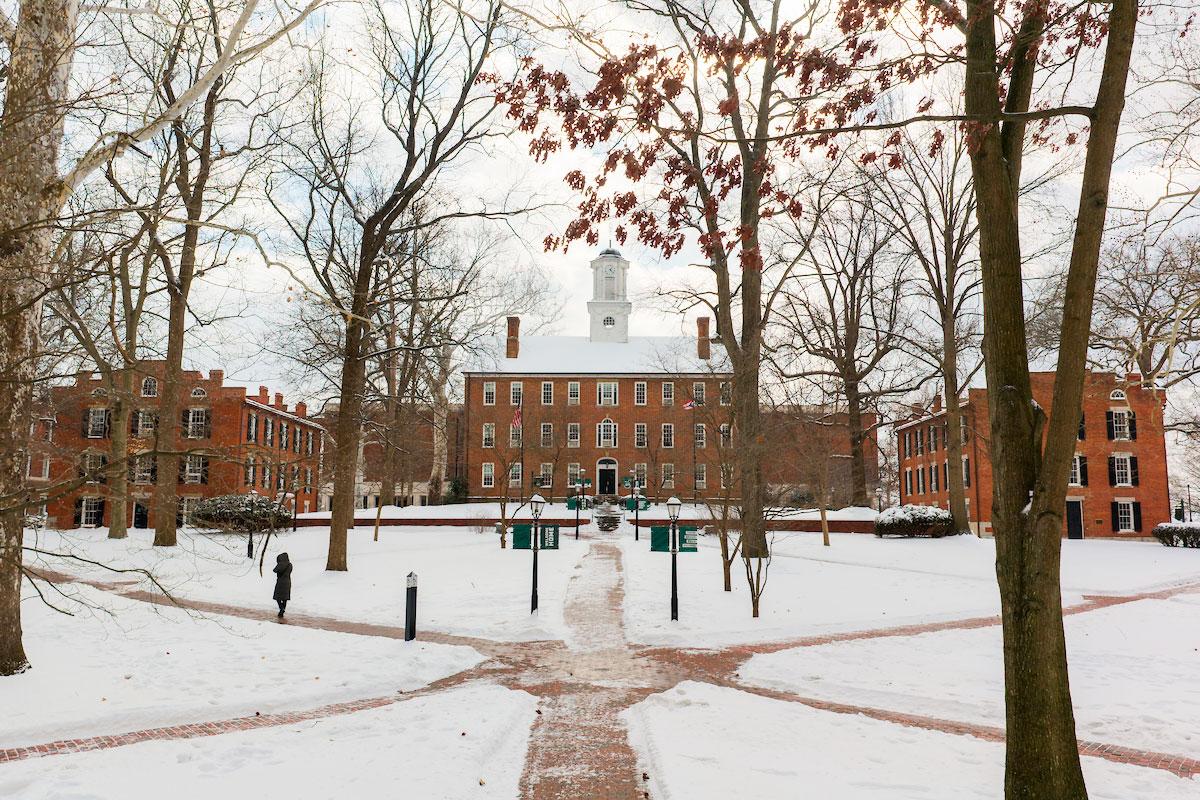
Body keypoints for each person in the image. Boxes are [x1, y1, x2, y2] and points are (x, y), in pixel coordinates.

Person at [273, 552, 292, 618]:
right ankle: (282, 611)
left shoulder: (280, 564)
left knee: (277, 597)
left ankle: (281, 608)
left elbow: (274, 570)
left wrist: (278, 565)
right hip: (288, 582)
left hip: (280, 582)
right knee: (285, 598)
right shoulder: (290, 564)